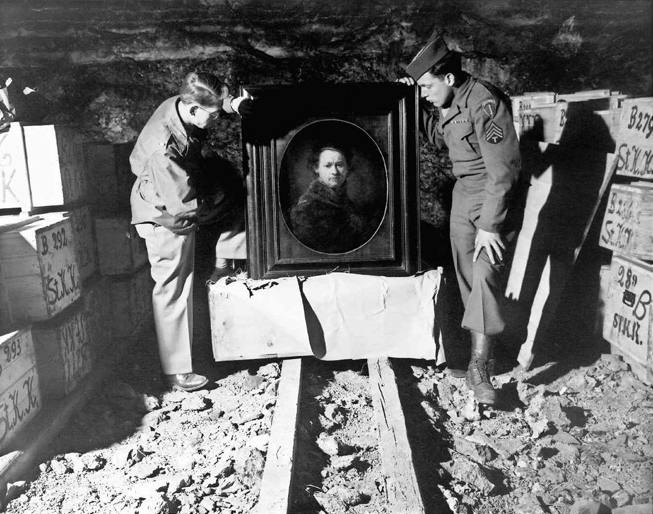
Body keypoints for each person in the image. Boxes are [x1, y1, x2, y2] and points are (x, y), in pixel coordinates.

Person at [401, 36, 522, 405]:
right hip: (463, 197)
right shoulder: (451, 102)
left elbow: (504, 171)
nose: (424, 94)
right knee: (467, 277)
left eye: (426, 86)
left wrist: (490, 224)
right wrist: (411, 100)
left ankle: (480, 368)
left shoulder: (485, 103)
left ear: (449, 78)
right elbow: (439, 138)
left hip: (490, 199)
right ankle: (477, 355)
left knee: (485, 274)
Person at [130, 71, 250, 392]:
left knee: (183, 283)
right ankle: (176, 370)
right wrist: (218, 209)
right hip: (162, 212)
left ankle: (187, 356)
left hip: (172, 197)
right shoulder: (164, 147)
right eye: (211, 116)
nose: (214, 121)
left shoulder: (186, 104)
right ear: (193, 110)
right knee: (172, 287)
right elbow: (184, 205)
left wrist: (231, 105)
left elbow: (211, 97)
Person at [289, 144, 369, 253]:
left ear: (347, 168)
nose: (335, 172)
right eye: (328, 165)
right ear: (316, 168)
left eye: (339, 165)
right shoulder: (305, 208)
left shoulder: (351, 206)